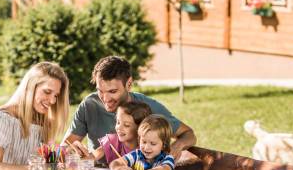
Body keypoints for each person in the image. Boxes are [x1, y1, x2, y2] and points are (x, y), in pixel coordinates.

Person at [64, 55, 196, 162]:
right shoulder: (90, 104)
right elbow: (66, 146)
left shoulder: (148, 108)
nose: (105, 98)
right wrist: (72, 150)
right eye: (100, 91)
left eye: (112, 91)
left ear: (129, 84)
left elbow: (188, 134)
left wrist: (175, 148)